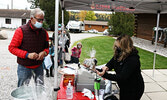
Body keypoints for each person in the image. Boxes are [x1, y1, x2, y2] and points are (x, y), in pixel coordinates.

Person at [8, 8, 49, 87]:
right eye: (39, 20)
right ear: (31, 18)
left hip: (39, 66)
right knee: (22, 91)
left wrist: (44, 53)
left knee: (40, 90)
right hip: (24, 67)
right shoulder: (20, 31)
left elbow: (47, 48)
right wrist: (27, 55)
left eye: (42, 20)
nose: (41, 22)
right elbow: (12, 48)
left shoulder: (44, 33)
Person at [96, 35, 144, 100]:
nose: (116, 48)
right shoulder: (120, 52)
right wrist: (107, 67)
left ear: (124, 47)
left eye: (118, 46)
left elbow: (121, 77)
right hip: (124, 86)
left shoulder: (132, 59)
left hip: (133, 88)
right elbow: (113, 61)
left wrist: (105, 75)